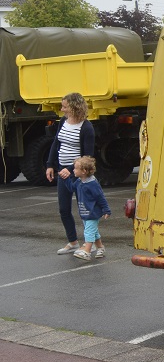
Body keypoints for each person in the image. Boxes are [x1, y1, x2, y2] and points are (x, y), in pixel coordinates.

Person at [47, 93, 96, 255]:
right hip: (62, 171)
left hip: (78, 173)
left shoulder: (86, 127)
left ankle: (92, 243)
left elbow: (88, 156)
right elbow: (56, 143)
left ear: (75, 107)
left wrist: (71, 168)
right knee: (64, 209)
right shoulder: (63, 122)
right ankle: (73, 241)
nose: (62, 109)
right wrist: (50, 165)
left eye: (65, 106)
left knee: (85, 210)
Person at [64, 156, 111, 262]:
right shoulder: (79, 181)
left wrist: (106, 210)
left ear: (84, 171)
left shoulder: (92, 184)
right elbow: (71, 188)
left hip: (93, 213)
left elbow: (100, 197)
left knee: (88, 232)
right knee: (93, 232)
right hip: (85, 212)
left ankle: (87, 251)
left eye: (75, 168)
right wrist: (66, 179)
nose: (73, 170)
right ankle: (100, 248)